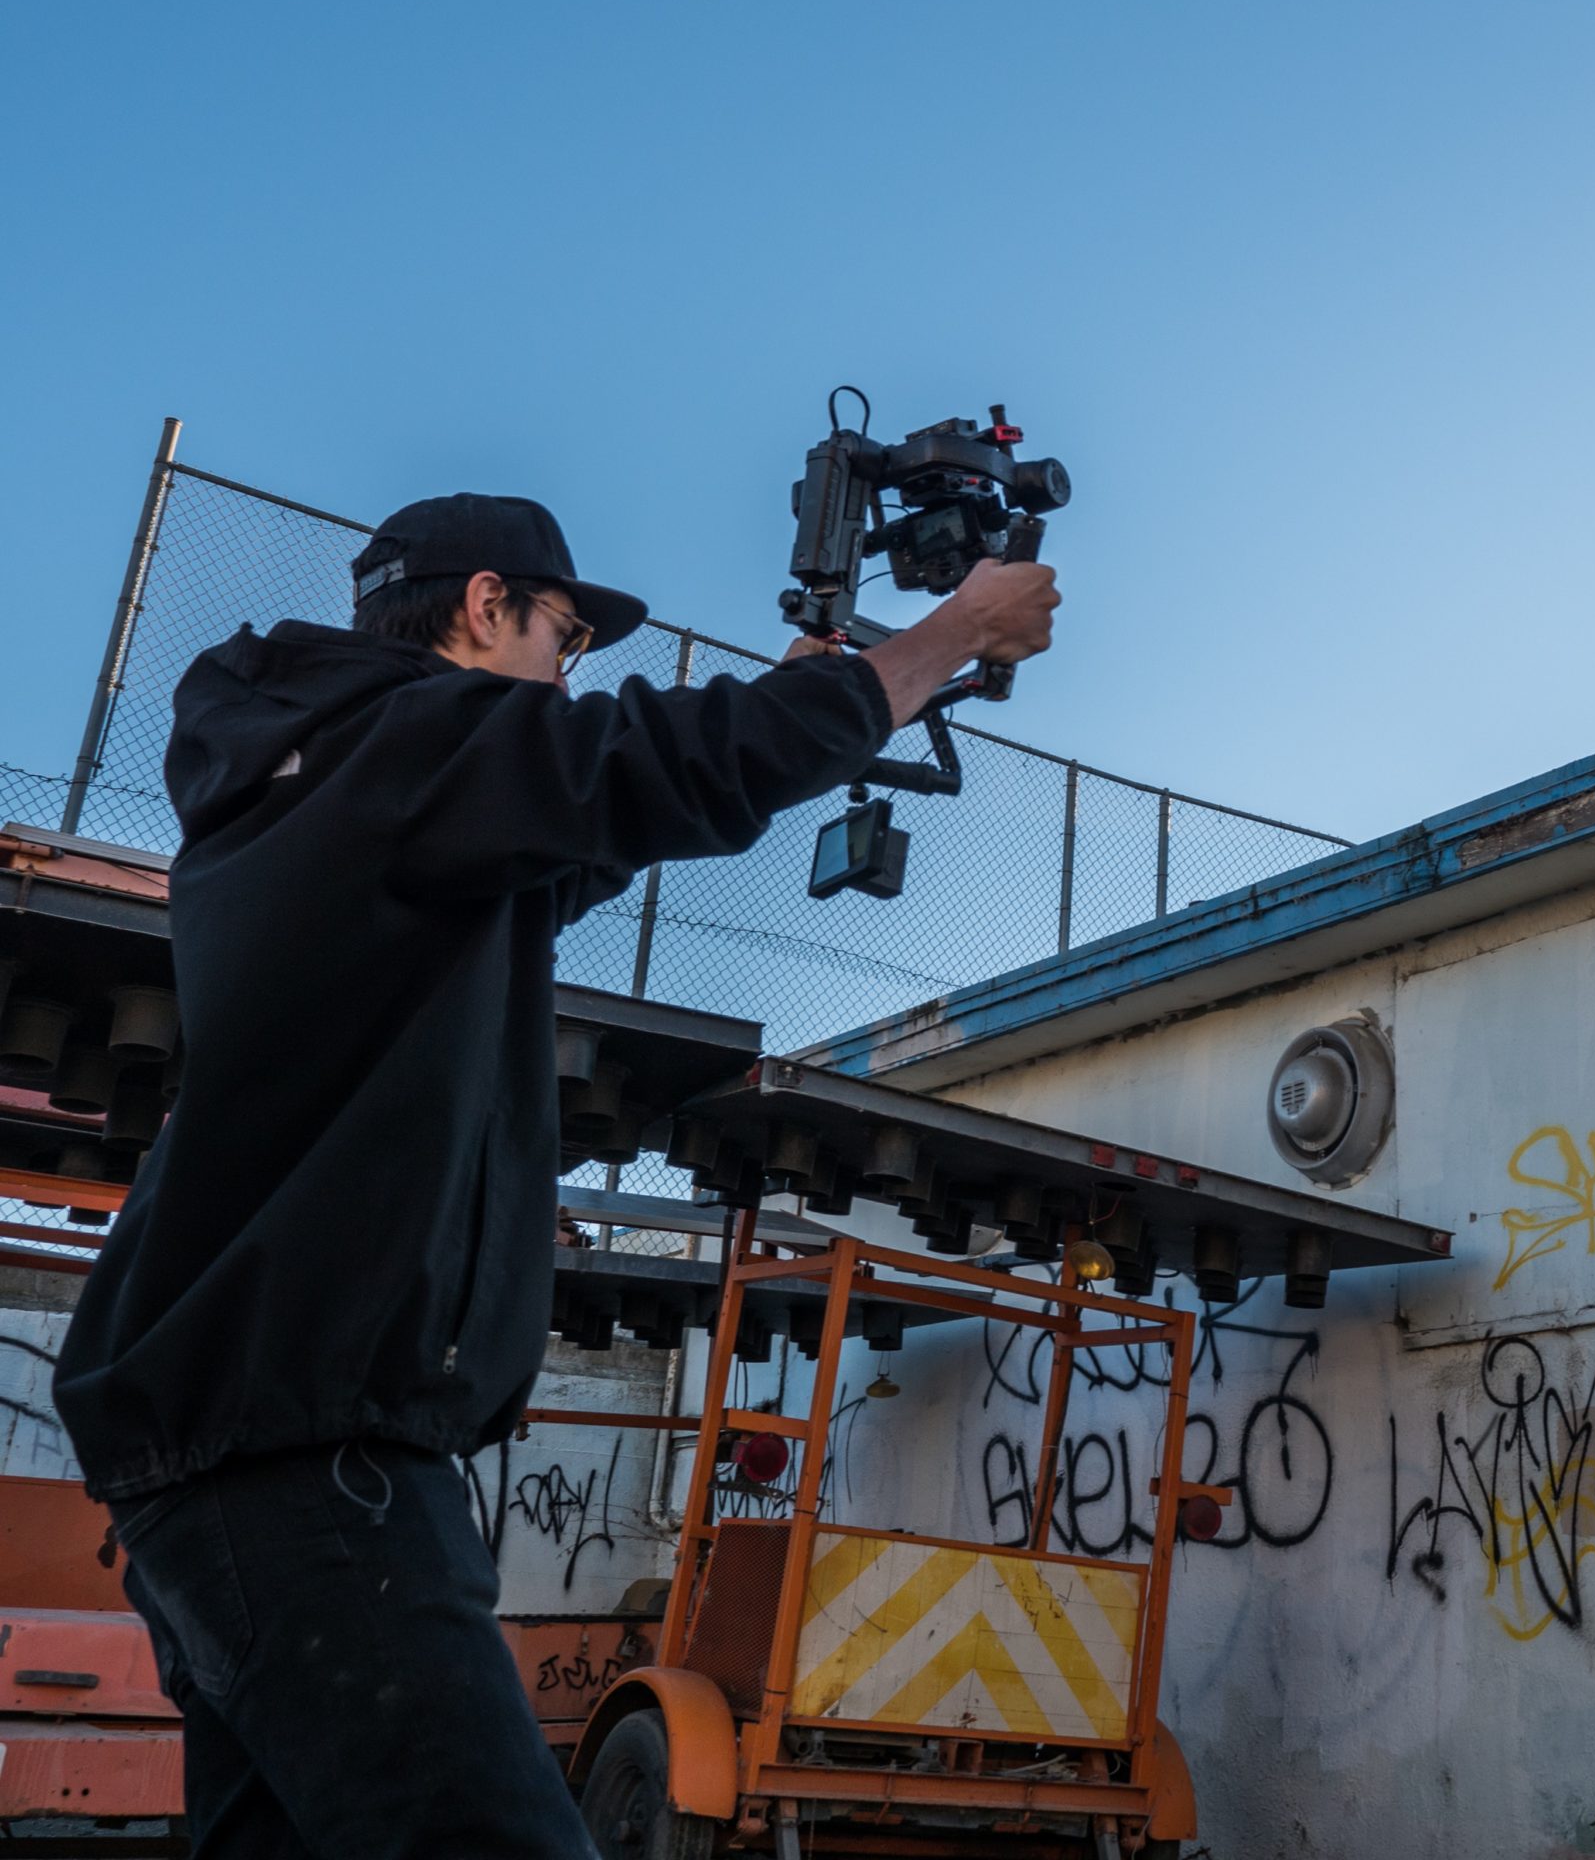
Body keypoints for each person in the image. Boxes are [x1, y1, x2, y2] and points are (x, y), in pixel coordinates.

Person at [51, 492, 1059, 1859]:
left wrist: (815, 702)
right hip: (307, 1465)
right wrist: (950, 636)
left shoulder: (340, 788)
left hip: (235, 1458)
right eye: (564, 635)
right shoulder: (399, 749)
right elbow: (659, 767)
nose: (568, 672)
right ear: (483, 606)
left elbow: (600, 819)